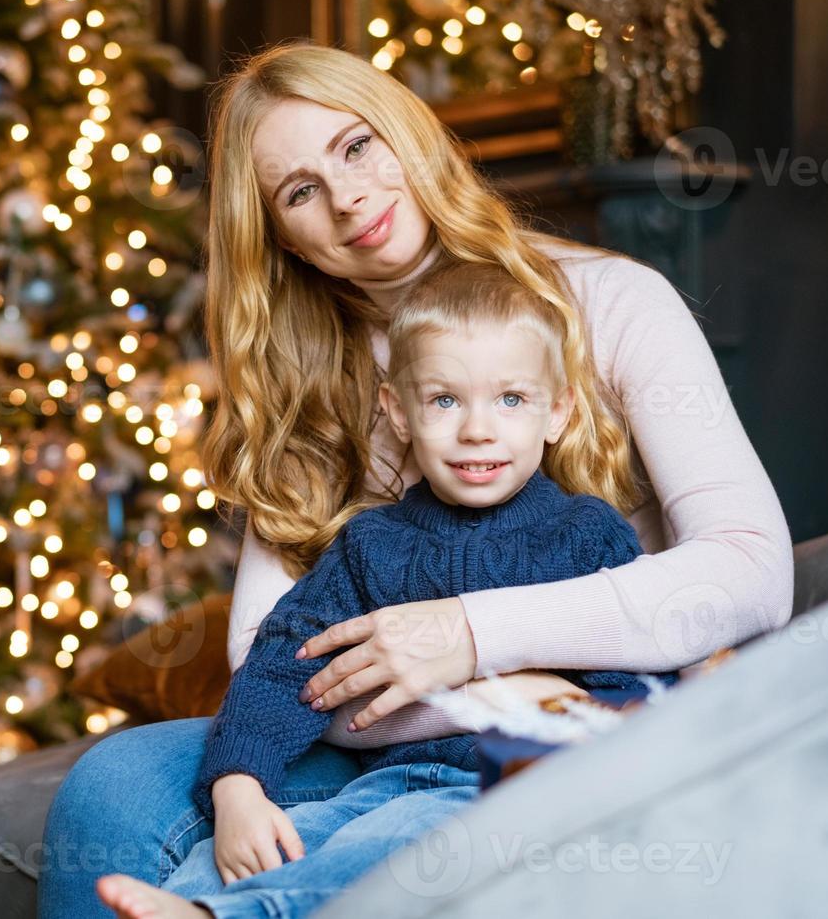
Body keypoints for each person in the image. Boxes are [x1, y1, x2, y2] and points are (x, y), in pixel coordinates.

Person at [39, 42, 793, 917]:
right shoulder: (306, 391)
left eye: (357, 147)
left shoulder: (611, 305)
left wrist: (471, 638)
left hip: (576, 727)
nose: (347, 196)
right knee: (114, 785)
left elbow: (750, 568)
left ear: (411, 137)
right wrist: (478, 695)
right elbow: (267, 656)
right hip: (381, 737)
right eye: (299, 190)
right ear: (284, 241)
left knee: (409, 824)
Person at [96, 260, 681, 918]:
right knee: (295, 839)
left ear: (557, 412)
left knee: (397, 839)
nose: (477, 429)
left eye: (510, 399)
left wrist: (568, 723)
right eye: (443, 400)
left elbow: (641, 688)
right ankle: (193, 903)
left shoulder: (585, 535)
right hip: (394, 784)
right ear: (397, 414)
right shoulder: (372, 544)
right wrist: (238, 788)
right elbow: (283, 664)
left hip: (521, 793)